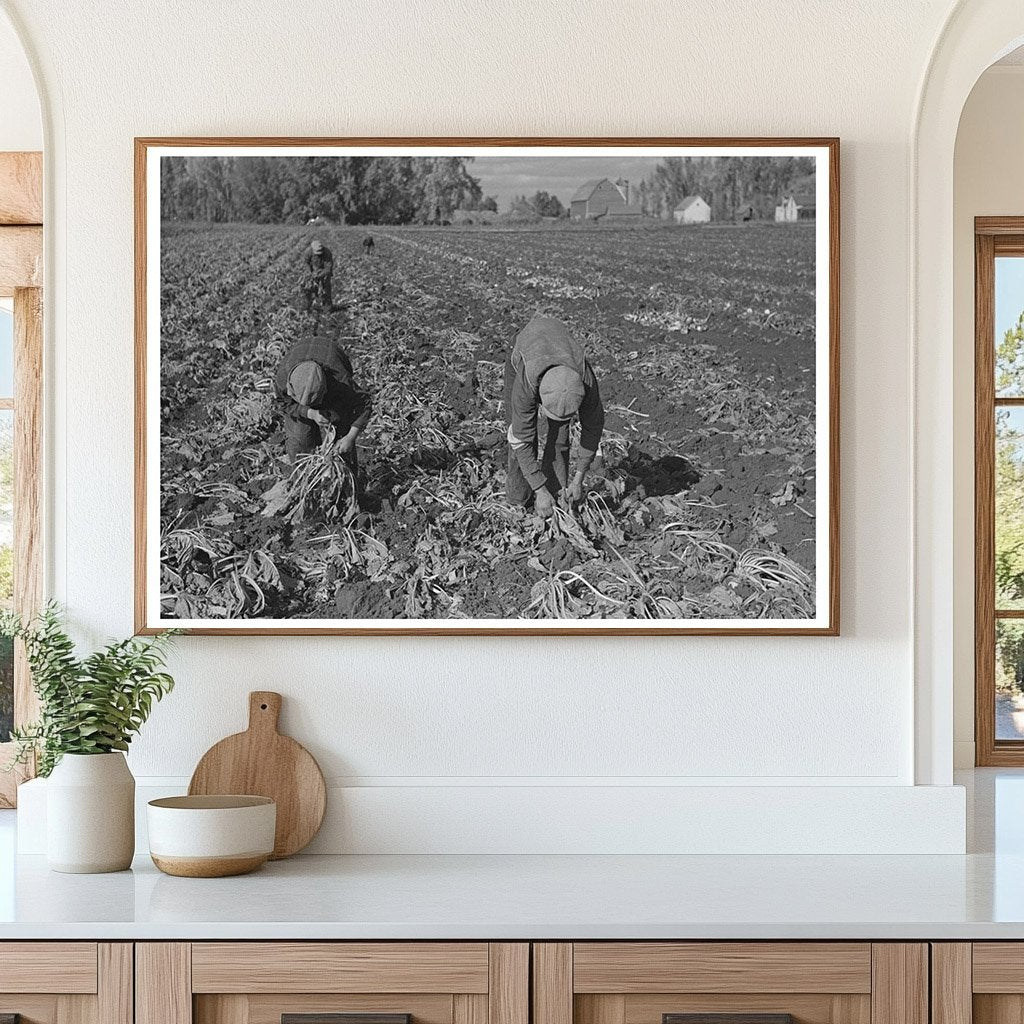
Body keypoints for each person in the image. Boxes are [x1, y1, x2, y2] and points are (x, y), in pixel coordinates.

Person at [503, 315, 604, 518]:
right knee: (522, 434)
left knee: (559, 437)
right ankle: (518, 499)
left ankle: (556, 497)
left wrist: (578, 478)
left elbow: (593, 429)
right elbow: (520, 439)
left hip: (560, 350)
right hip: (528, 350)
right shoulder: (527, 381)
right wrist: (539, 490)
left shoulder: (585, 379)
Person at [275, 335, 372, 477]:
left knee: (341, 446)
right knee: (300, 439)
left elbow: (364, 403)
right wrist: (310, 413)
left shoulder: (341, 380)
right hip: (303, 349)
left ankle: (346, 483)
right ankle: (304, 482)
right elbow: (283, 404)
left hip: (332, 365)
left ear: (324, 390)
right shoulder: (283, 378)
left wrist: (350, 437)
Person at [303, 239, 334, 311]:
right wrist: (310, 273)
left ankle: (327, 308)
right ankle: (311, 306)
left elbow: (328, 268)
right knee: (310, 288)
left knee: (326, 289)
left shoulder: (327, 253)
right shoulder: (308, 251)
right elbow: (306, 262)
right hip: (313, 270)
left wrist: (319, 275)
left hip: (324, 272)